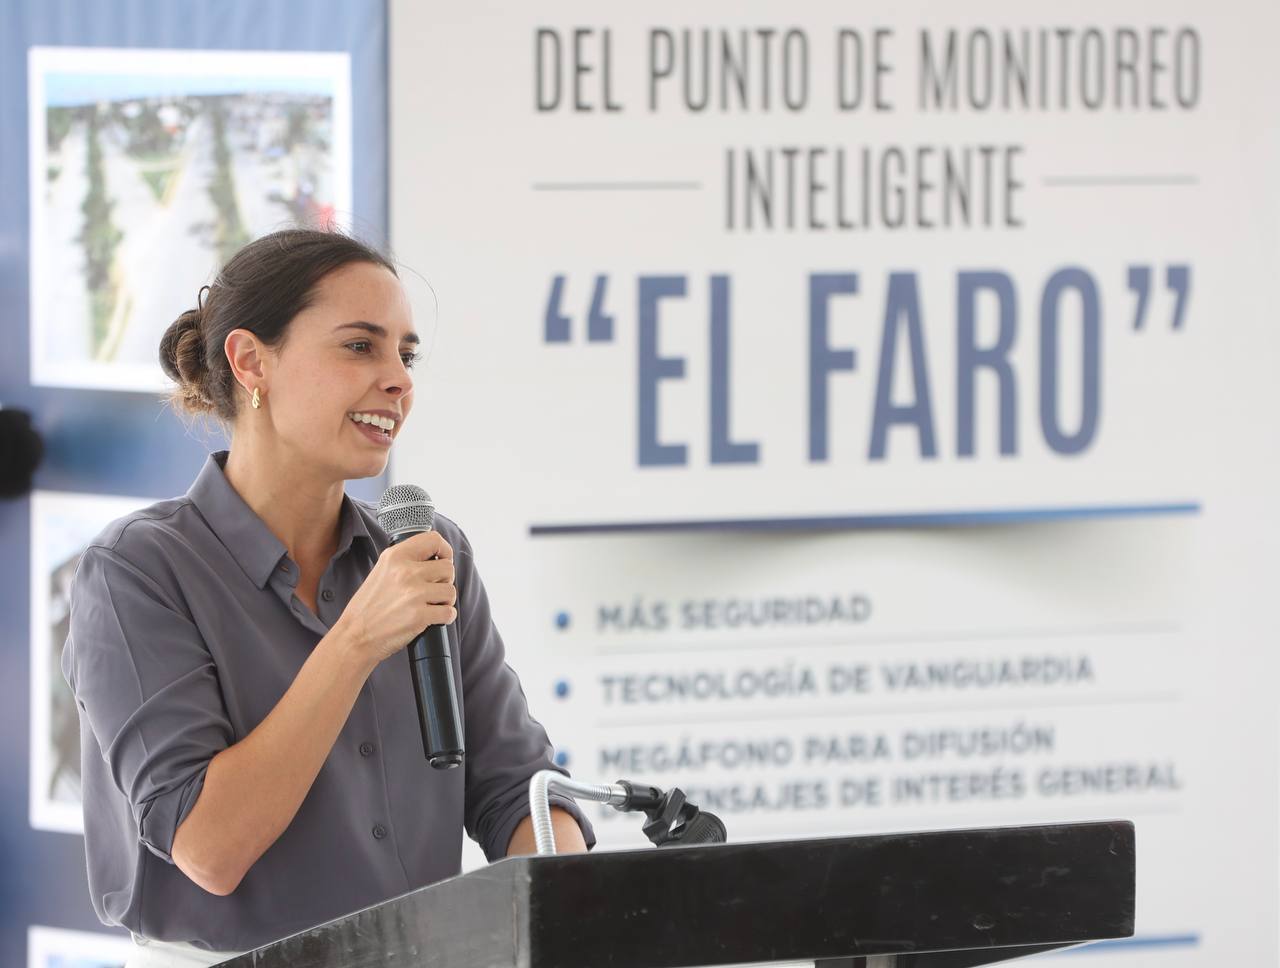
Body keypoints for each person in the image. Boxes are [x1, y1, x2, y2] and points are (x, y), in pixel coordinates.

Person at [61, 229, 593, 967]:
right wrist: (356, 641)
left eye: (406, 355)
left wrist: (567, 901)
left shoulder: (427, 551)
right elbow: (209, 847)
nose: (398, 380)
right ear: (251, 362)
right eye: (359, 346)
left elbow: (514, 790)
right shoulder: (137, 572)